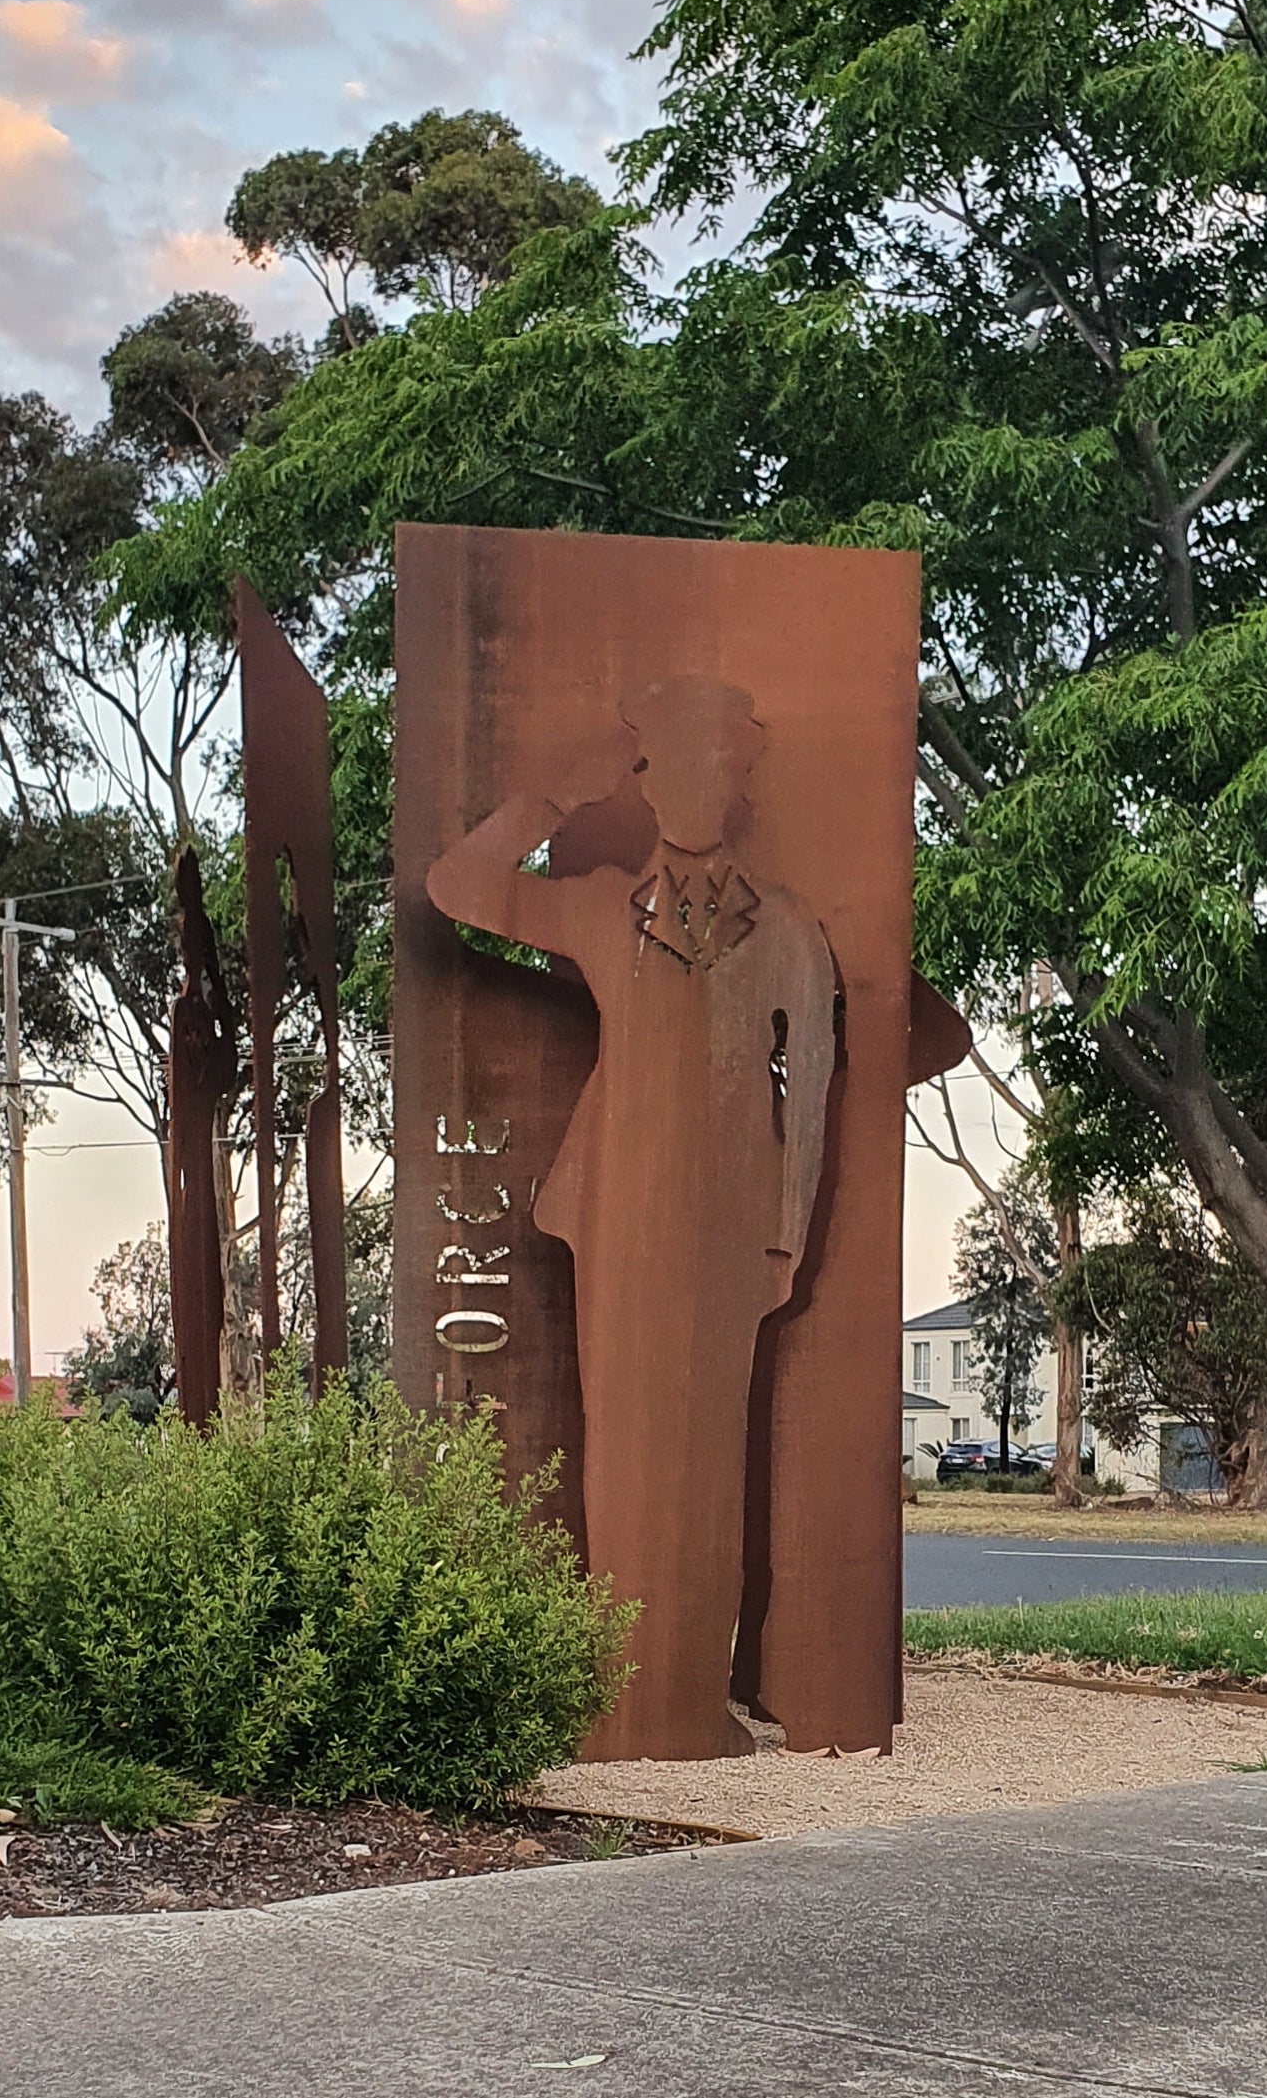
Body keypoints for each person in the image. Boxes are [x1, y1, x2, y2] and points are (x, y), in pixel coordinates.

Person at [428, 676, 836, 1758]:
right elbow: (458, 885)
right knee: (622, 1459)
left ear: (740, 784)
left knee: (707, 1463)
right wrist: (547, 804)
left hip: (729, 1228)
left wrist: (786, 1235)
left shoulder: (788, 930)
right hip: (614, 1215)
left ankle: (690, 1701)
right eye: (677, 765)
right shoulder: (604, 909)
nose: (699, 786)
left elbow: (819, 1085)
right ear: (648, 785)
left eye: (720, 766)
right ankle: (621, 1702)